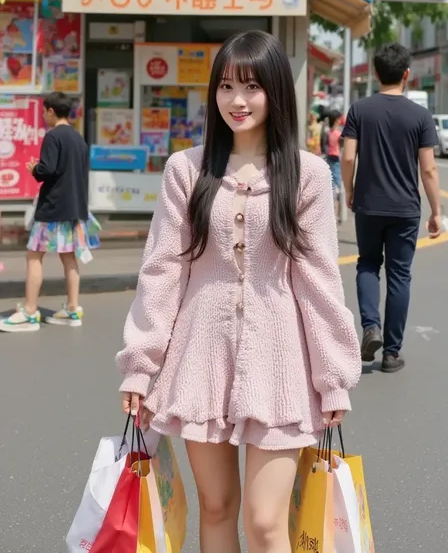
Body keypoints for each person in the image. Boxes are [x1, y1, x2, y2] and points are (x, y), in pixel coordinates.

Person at [118, 31, 361, 553]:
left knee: (266, 521)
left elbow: (319, 281)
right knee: (216, 508)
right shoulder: (186, 169)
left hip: (281, 366)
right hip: (200, 359)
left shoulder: (308, 174)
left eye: (251, 86)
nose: (237, 100)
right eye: (226, 86)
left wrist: (333, 376)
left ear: (275, 91)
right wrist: (141, 366)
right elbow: (163, 271)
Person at [341, 43, 441, 373]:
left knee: (368, 264)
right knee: (400, 276)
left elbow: (348, 157)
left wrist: (349, 190)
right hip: (405, 210)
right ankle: (391, 353)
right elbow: (428, 169)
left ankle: (371, 327)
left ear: (375, 73)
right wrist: (436, 211)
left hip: (369, 204)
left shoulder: (360, 109)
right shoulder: (420, 116)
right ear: (407, 75)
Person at [0, 92, 98, 333]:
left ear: (52, 111)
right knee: (69, 258)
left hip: (53, 207)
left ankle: (30, 312)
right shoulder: (79, 139)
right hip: (75, 209)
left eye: (44, 112)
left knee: (34, 256)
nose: (44, 116)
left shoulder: (53, 137)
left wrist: (35, 168)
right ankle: (73, 309)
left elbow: (48, 170)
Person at [325, 112, 343, 222]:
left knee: (332, 188)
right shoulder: (338, 134)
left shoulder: (329, 132)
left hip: (329, 158)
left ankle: (333, 214)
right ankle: (337, 214)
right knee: (339, 189)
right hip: (336, 159)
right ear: (336, 120)